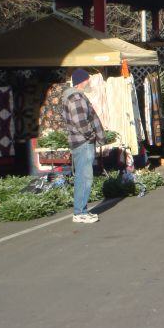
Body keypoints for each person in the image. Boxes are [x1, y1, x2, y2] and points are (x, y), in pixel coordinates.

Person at [63, 68, 105, 224]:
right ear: (82, 81)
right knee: (84, 177)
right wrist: (91, 135)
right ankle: (80, 212)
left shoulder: (74, 96)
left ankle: (81, 211)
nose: (89, 82)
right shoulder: (76, 97)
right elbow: (80, 121)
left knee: (82, 176)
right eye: (88, 79)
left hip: (80, 141)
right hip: (83, 142)